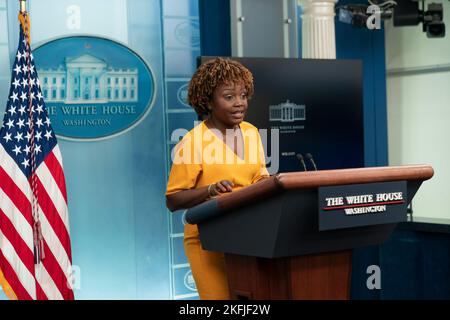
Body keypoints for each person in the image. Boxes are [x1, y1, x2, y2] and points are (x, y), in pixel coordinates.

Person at [165, 57, 269, 300]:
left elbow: (260, 176)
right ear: (208, 101)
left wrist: (266, 183)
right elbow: (173, 200)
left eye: (243, 95)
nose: (239, 103)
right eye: (229, 97)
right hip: (207, 240)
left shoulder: (252, 132)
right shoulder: (192, 142)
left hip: (248, 236)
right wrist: (210, 190)